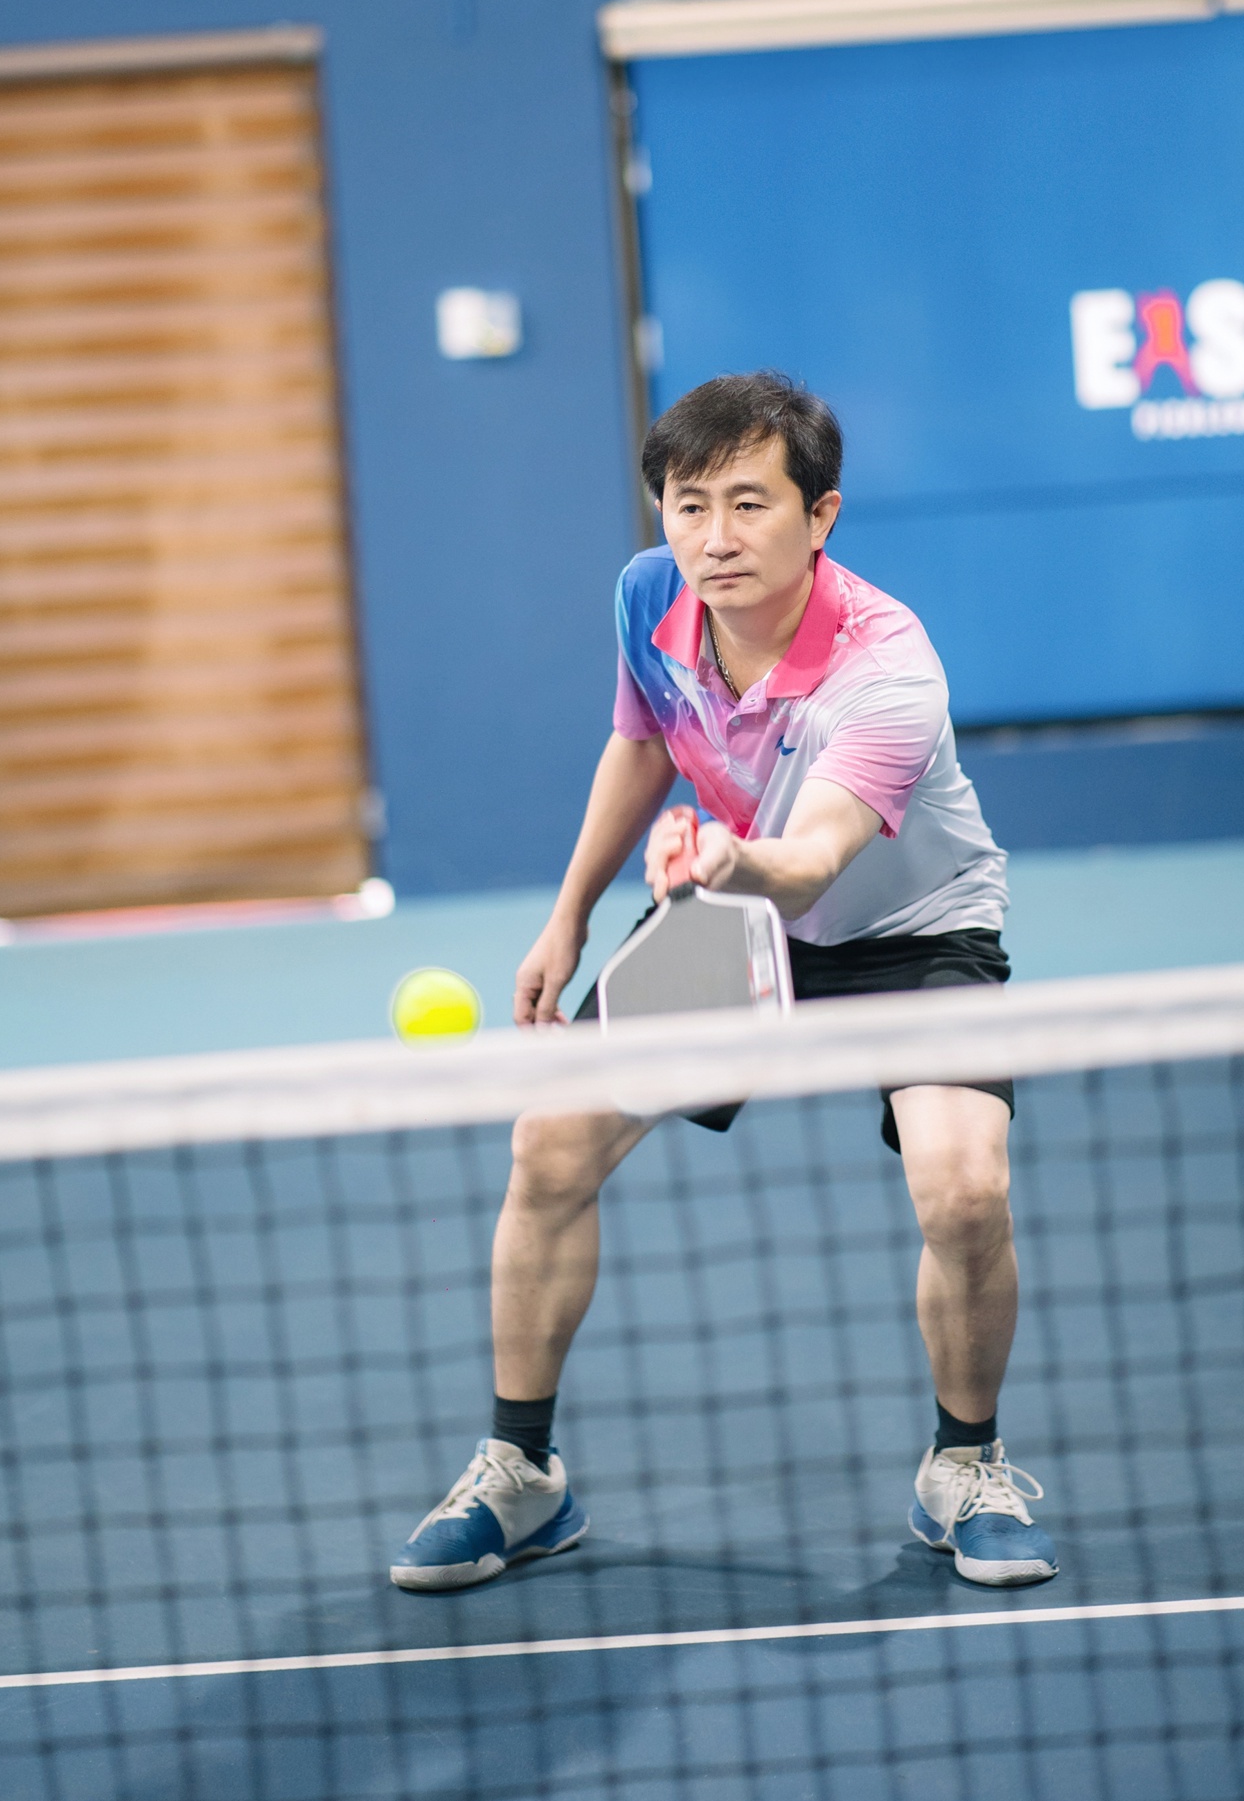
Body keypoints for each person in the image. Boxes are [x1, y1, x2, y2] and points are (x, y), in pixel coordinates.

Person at [391, 372, 1057, 1593]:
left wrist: (729, 859)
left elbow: (812, 861)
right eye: (688, 504)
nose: (714, 536)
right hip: (733, 910)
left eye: (750, 503)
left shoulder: (889, 666)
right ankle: (521, 1472)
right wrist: (567, 917)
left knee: (964, 1188)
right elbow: (641, 743)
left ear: (822, 514)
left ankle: (965, 1465)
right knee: (550, 1146)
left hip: (908, 930)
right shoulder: (652, 595)